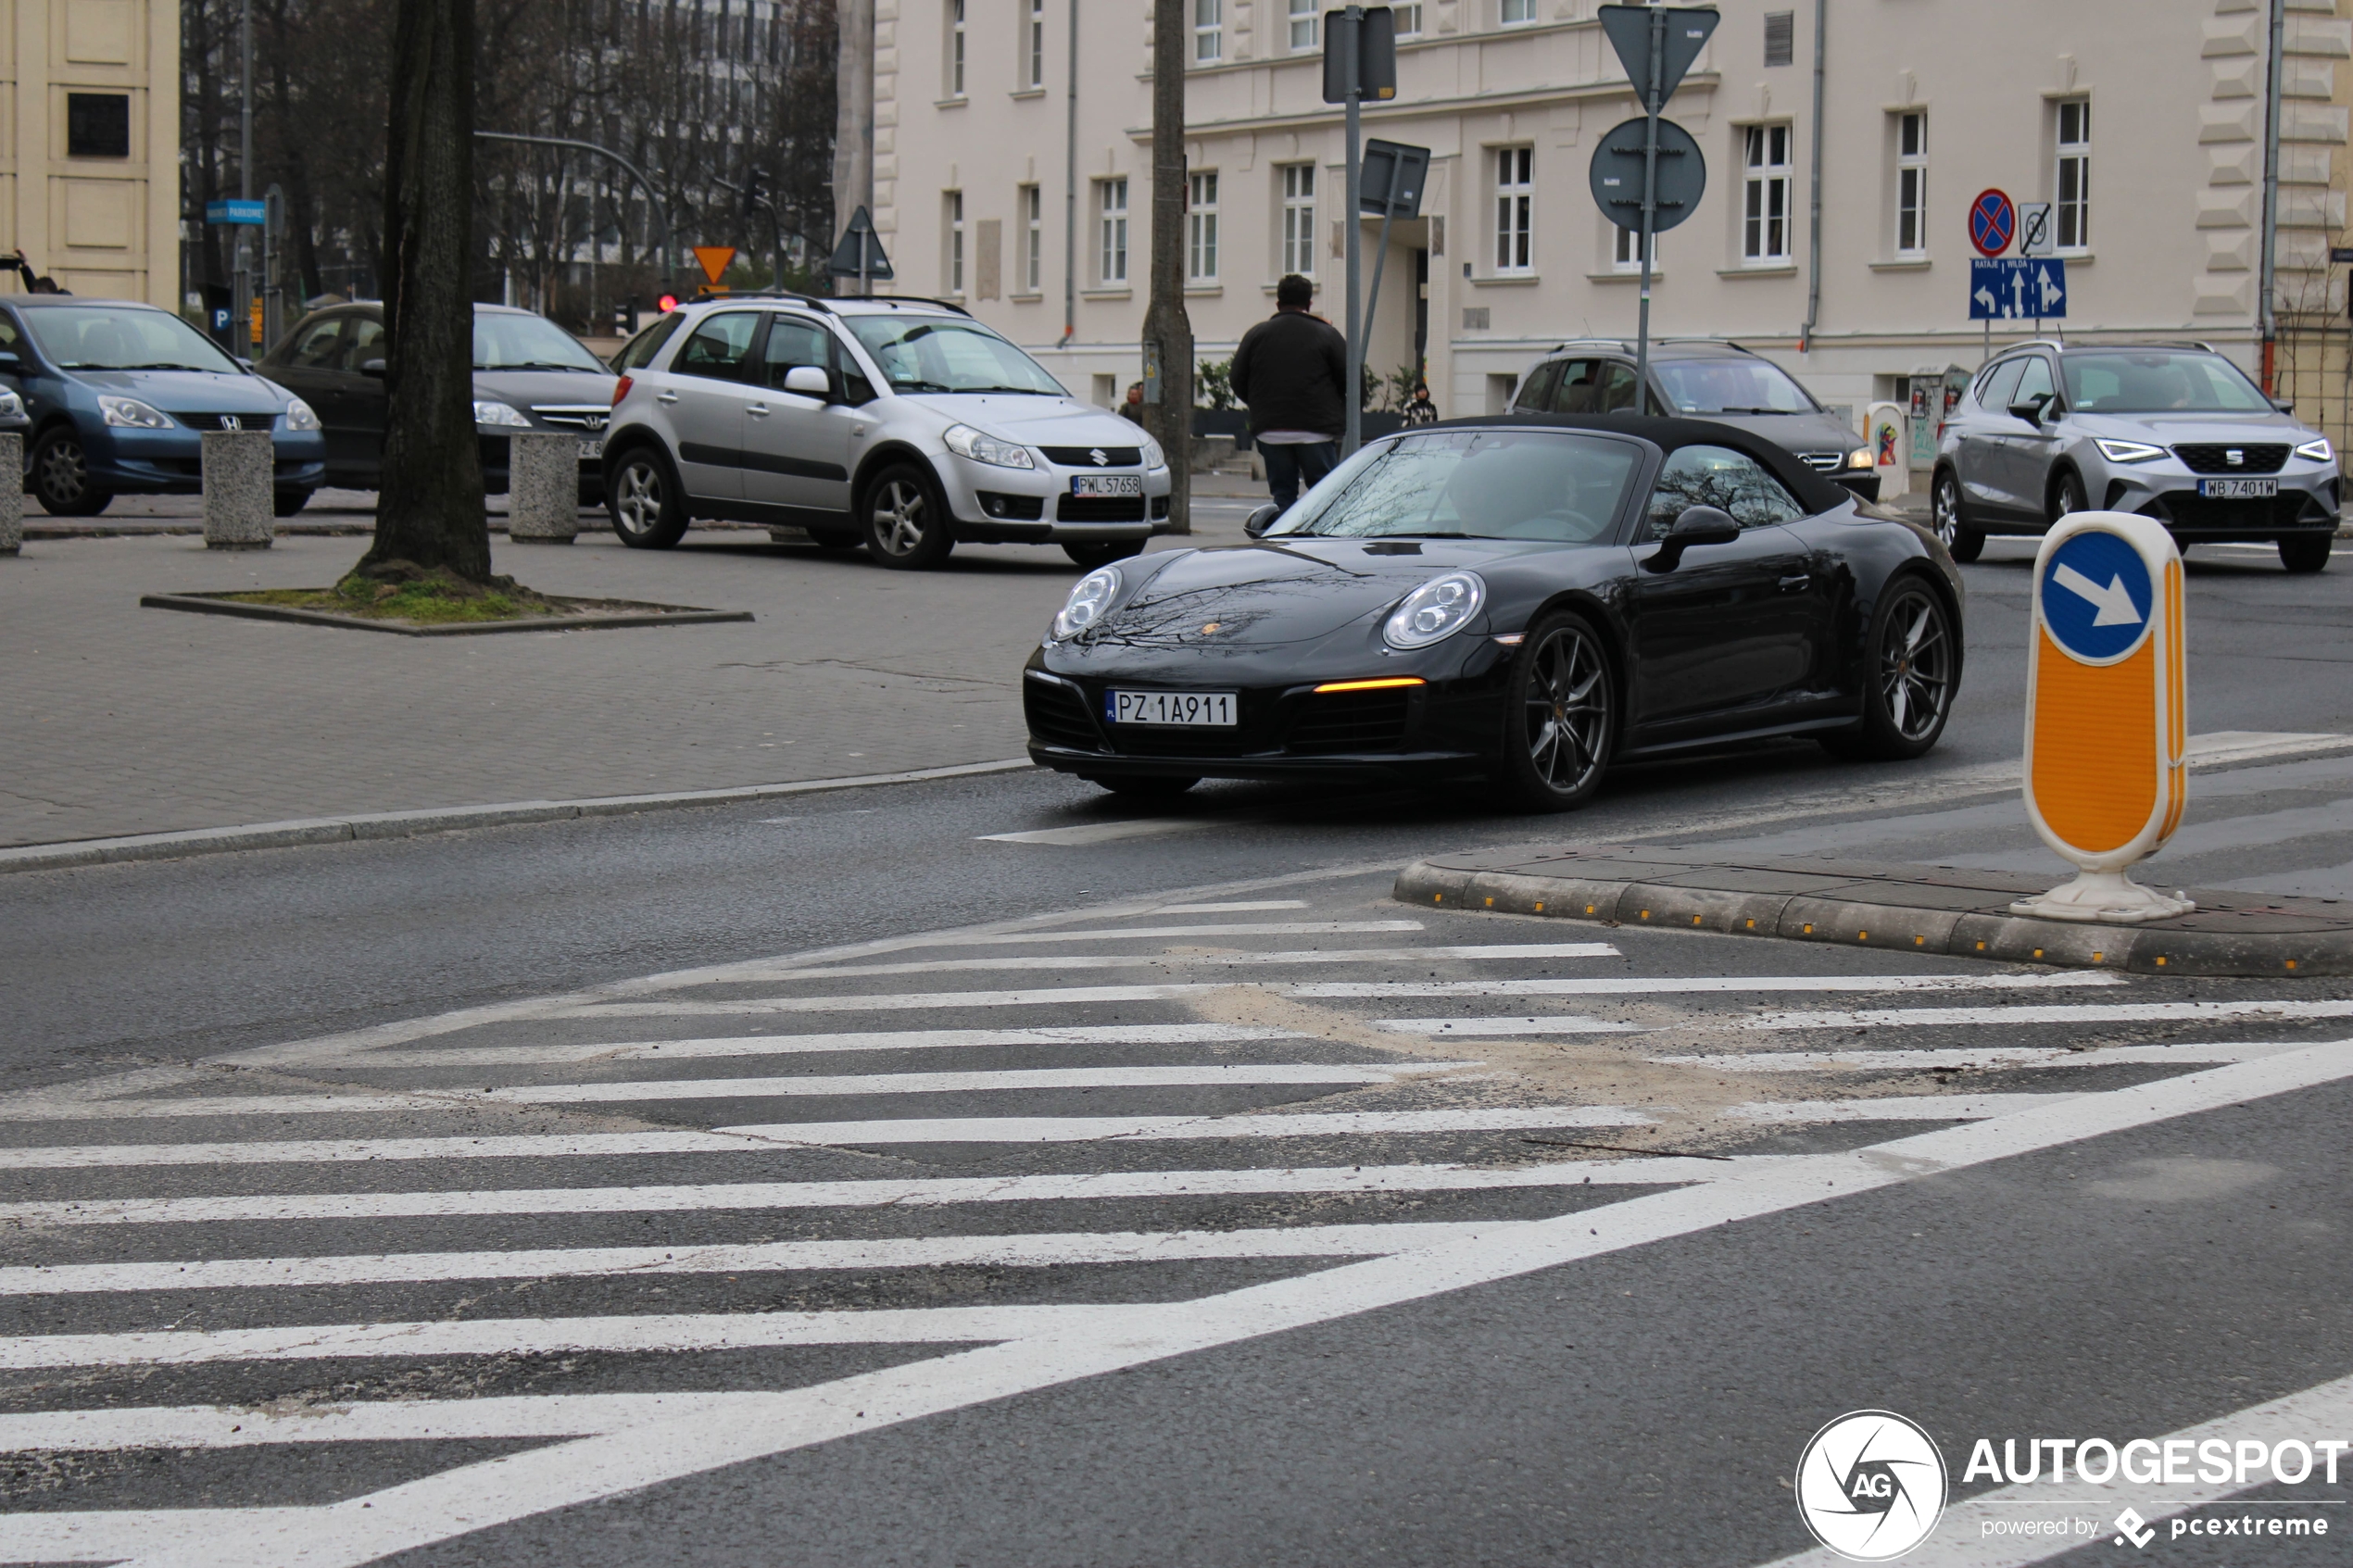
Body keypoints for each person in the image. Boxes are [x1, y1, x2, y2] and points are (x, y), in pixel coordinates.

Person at [1229, 273, 1347, 510]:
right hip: (1316, 430)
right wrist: (1340, 411)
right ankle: (1323, 545)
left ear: (1278, 303)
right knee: (1325, 498)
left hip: (1271, 431)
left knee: (1283, 496)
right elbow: (1351, 380)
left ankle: (1283, 542)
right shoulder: (1327, 335)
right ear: (1309, 304)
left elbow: (1237, 379)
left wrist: (1259, 405)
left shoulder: (1256, 335)